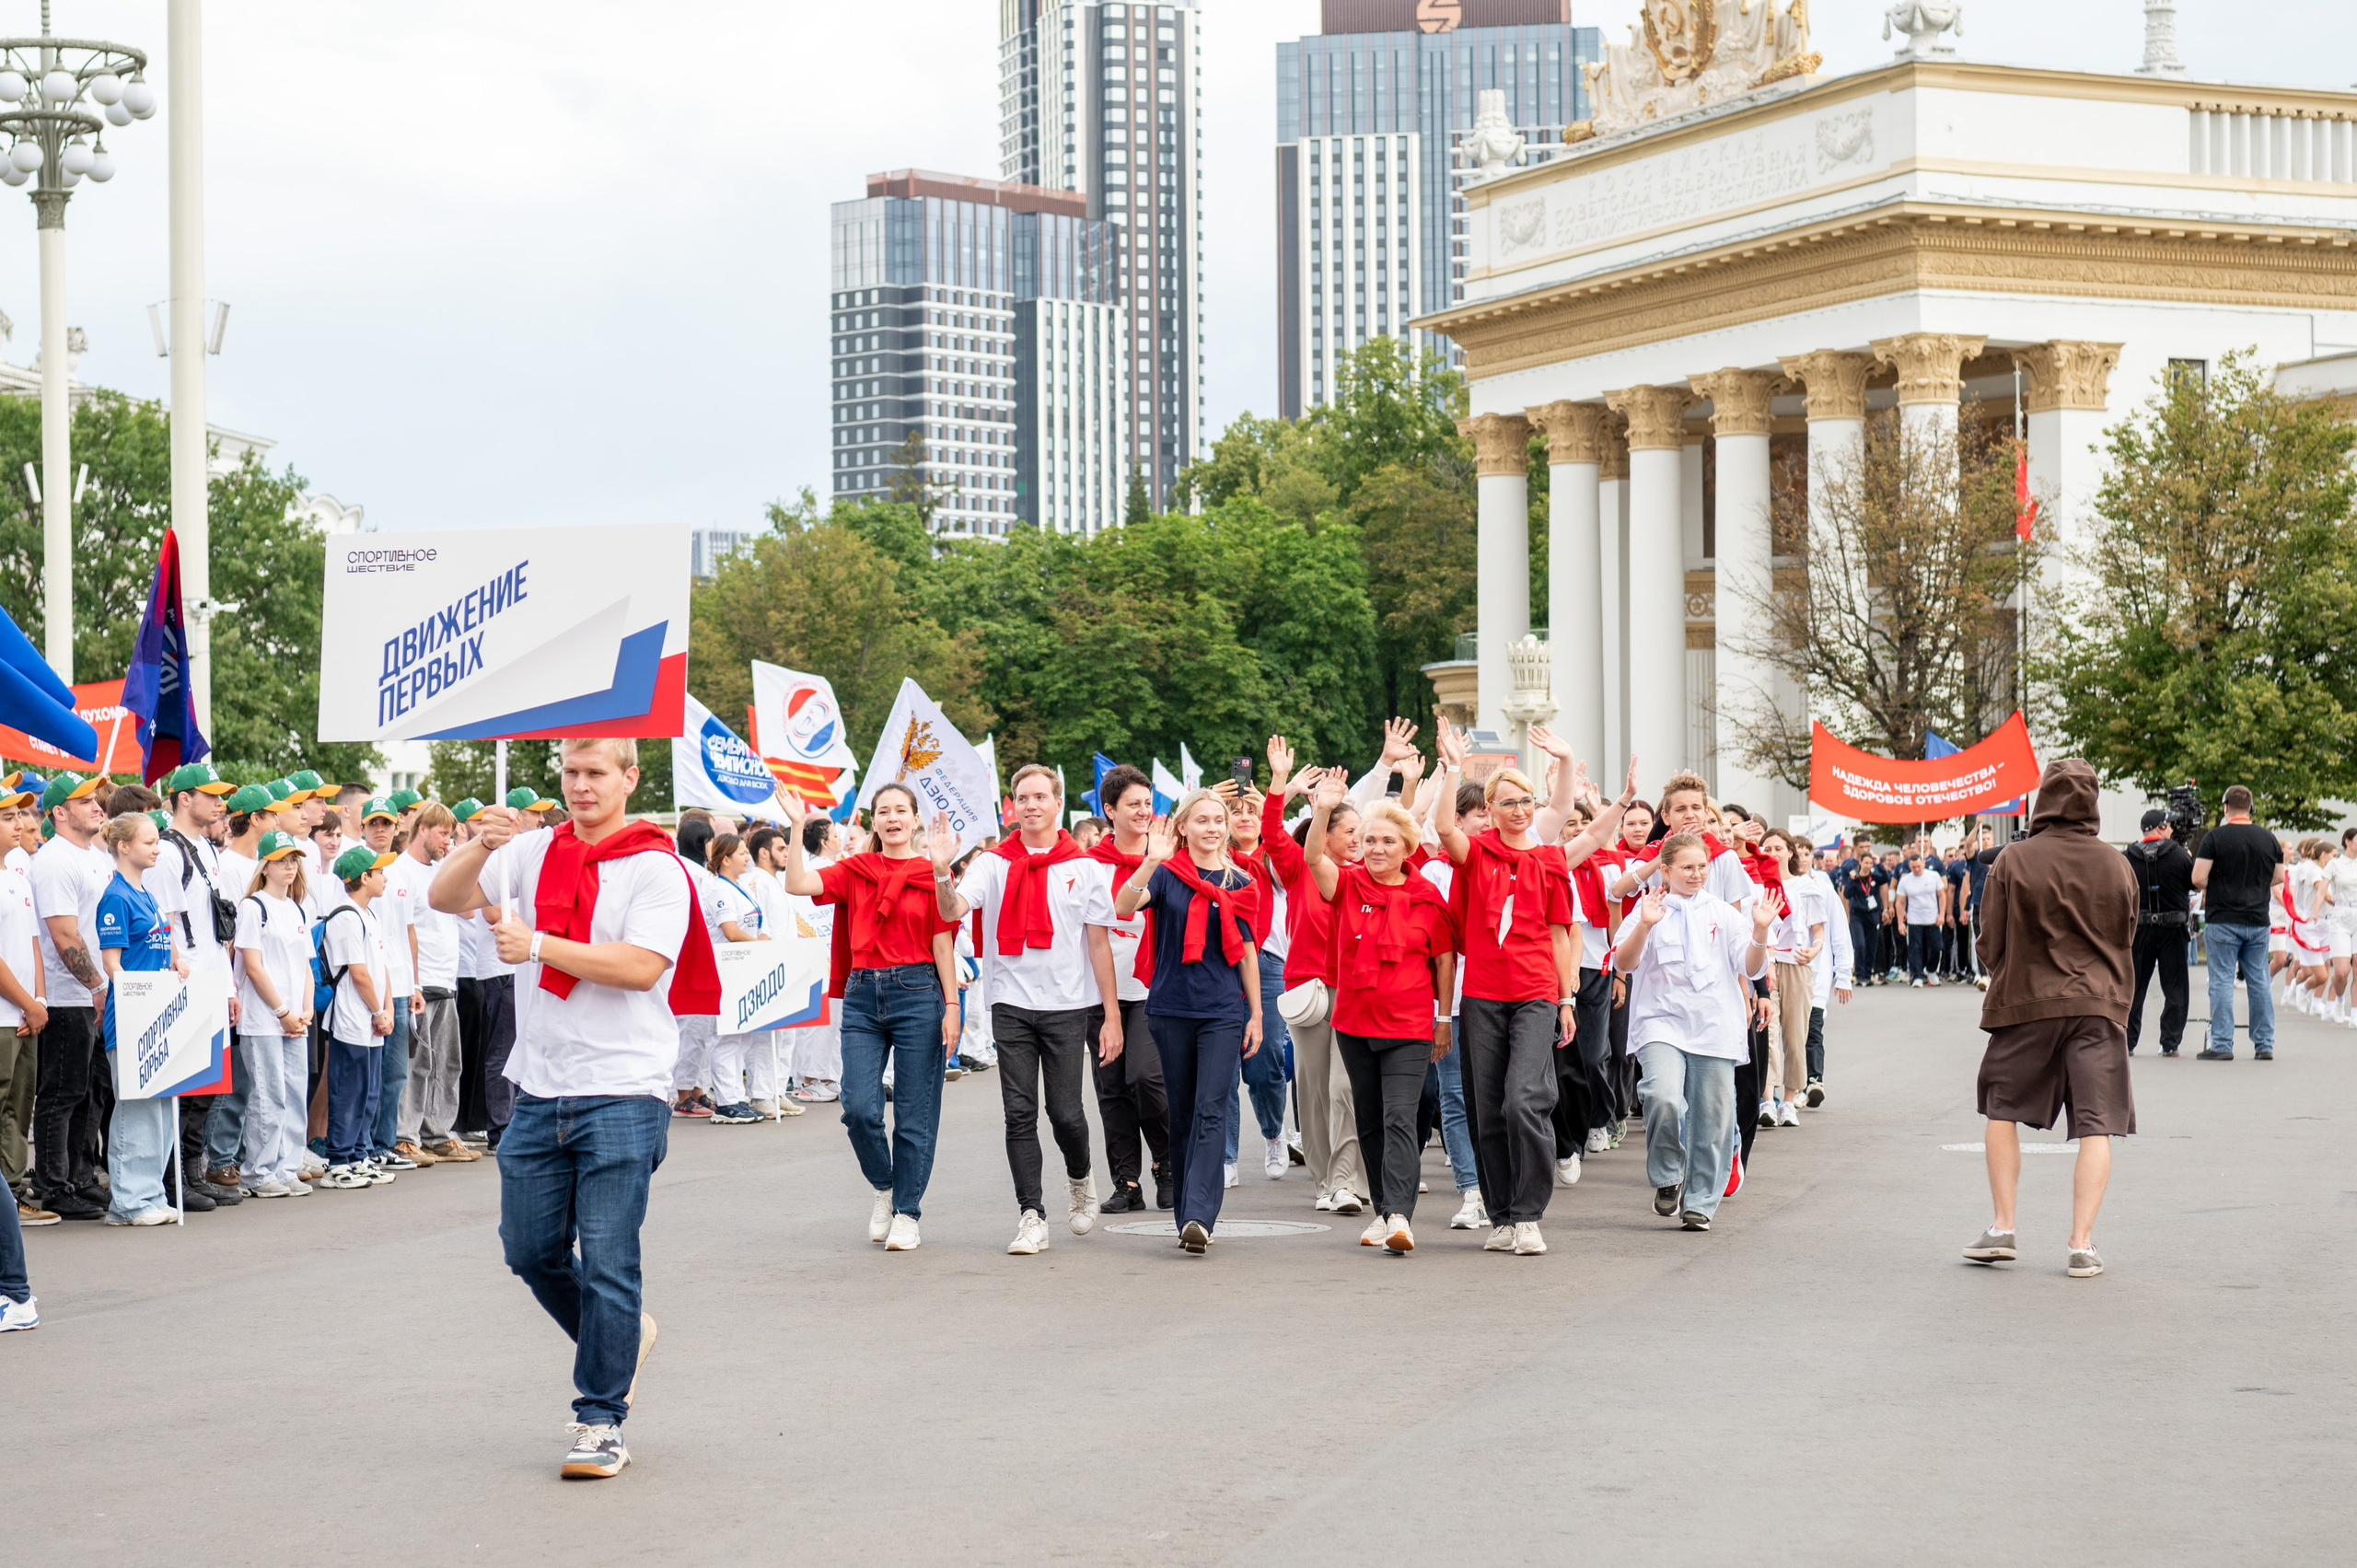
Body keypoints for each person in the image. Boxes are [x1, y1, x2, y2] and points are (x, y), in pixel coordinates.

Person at [425, 738, 715, 1481]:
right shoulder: (531, 851)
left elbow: (641, 966)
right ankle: (619, 1336)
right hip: (540, 1086)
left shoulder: (657, 866)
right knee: (529, 1250)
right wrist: (476, 843)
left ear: (629, 778)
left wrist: (541, 944)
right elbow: (446, 898)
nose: (581, 786)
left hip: (624, 1087)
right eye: (571, 773)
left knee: (611, 1257)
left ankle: (600, 1419)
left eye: (596, 773)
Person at [1433, 716, 1632, 1257]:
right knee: (1488, 1105)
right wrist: (1451, 766)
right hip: (1482, 997)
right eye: (1508, 802)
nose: (1520, 810)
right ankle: (1502, 1215)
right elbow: (1443, 828)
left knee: (1525, 1099)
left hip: (1537, 995)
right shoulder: (1475, 856)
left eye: (1526, 801)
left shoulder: (1547, 860)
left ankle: (1529, 1213)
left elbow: (1560, 932)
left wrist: (1567, 998)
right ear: (1491, 811)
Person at [931, 763, 1120, 1255]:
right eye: (1023, 797)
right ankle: (1031, 1214)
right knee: (1019, 1113)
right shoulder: (992, 863)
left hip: (1066, 1005)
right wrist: (939, 870)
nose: (1032, 805)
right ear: (1012, 806)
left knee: (1066, 1114)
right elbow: (952, 912)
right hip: (1010, 1003)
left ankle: (1080, 1178)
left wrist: (1112, 1016)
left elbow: (1099, 945)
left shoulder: (1084, 867)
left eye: (1041, 796)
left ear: (1057, 804)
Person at [1965, 760, 2139, 1279]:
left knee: (2001, 1108)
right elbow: (2127, 933)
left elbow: (1989, 939)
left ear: (2043, 799)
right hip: (2098, 1004)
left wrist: (2005, 973)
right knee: (2097, 1122)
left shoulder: (2013, 860)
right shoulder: (2117, 864)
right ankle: (2081, 1243)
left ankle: (2003, 1227)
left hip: (2027, 1000)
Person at [778, 783, 958, 1252]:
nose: (893, 817)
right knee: (858, 1108)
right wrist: (798, 826)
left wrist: (953, 1006)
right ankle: (885, 1186)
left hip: (920, 992)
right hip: (862, 993)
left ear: (915, 820)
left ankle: (907, 1212)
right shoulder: (855, 869)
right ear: (873, 822)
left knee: (915, 1115)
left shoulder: (931, 872)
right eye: (884, 811)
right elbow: (796, 883)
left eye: (901, 810)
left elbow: (944, 942)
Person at [1302, 782, 1456, 1254]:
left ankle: (1400, 1217)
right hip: (1352, 1022)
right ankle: (1383, 1211)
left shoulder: (1427, 896)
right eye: (1369, 840)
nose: (1377, 848)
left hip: (1409, 1025)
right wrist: (1324, 811)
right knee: (1368, 1119)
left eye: (1388, 840)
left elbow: (1445, 961)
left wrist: (1444, 1018)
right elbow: (1312, 861)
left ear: (1407, 846)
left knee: (1399, 1119)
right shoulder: (1347, 884)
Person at [1109, 788, 1262, 1256]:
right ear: (1183, 827)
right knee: (1182, 1111)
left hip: (1221, 1010)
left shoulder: (1241, 882)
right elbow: (1122, 907)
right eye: (1202, 820)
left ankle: (1199, 1214)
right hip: (1170, 1009)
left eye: (1219, 820)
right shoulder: (1167, 873)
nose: (1213, 828)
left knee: (1212, 1108)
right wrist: (1150, 862)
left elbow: (1248, 952)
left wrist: (1255, 1012)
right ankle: (1185, 1215)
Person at [1616, 831, 1775, 1231]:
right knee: (1662, 1096)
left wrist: (1758, 932)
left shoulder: (1722, 912)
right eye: (1687, 867)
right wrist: (1645, 927)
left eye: (1702, 866)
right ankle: (1669, 1174)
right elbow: (1624, 961)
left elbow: (1752, 967)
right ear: (1666, 870)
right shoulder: (1649, 908)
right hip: (1661, 1021)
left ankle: (1701, 1201)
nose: (1696, 874)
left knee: (1712, 1118)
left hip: (1714, 1025)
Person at [1256, 739, 1365, 1215]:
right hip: (1310, 991)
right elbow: (1271, 835)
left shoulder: (1369, 874)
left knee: (1346, 1088)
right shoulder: (1301, 868)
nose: (1360, 839)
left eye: (1363, 831)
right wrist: (1281, 783)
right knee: (1316, 1089)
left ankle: (1346, 1179)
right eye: (1352, 831)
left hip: (1358, 991)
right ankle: (1325, 1181)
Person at [1085, 764, 1177, 1212]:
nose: (1144, 812)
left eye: (1148, 803)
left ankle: (1167, 1162)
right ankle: (1127, 1182)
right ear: (1109, 811)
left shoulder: (1168, 859)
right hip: (1101, 992)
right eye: (1133, 805)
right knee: (1113, 1087)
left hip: (1154, 988)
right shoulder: (1090, 867)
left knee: (1146, 1077)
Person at [28, 772, 115, 1220]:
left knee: (90, 1092)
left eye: (96, 799)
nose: (98, 806)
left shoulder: (91, 856)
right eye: (85, 802)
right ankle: (52, 1185)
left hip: (93, 995)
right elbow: (64, 936)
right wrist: (97, 986)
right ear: (59, 812)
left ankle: (80, 1176)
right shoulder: (55, 860)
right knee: (62, 1093)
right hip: (68, 997)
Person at [94, 811, 188, 1225]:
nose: (156, 848)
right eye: (148, 842)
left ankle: (150, 1193)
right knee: (136, 1108)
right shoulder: (115, 896)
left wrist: (175, 965)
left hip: (159, 1015)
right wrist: (139, 991)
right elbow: (112, 963)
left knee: (161, 1106)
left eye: (157, 842)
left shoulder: (147, 893)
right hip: (132, 1018)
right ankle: (129, 1201)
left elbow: (158, 948)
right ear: (123, 846)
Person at [232, 830, 317, 1198]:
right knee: (269, 1095)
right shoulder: (254, 907)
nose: (290, 866)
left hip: (294, 1019)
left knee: (296, 1093)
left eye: (293, 860)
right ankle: (258, 1171)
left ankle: (287, 1167)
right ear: (265, 866)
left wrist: (305, 1009)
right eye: (282, 860)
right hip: (264, 1018)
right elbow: (253, 965)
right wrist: (282, 1010)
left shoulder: (297, 908)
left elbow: (306, 967)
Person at [393, 802, 474, 1164]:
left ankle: (438, 1132)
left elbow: (470, 908)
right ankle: (405, 1135)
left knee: (447, 1062)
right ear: (422, 829)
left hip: (447, 978)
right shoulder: (401, 871)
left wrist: (456, 857)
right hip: (422, 981)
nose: (447, 840)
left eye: (450, 834)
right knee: (417, 1063)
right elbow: (405, 931)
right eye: (442, 833)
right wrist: (412, 983)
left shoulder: (443, 868)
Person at [1220, 776, 1292, 1183]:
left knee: (1265, 1064)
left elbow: (1291, 866)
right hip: (1221, 964)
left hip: (1267, 962)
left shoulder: (1273, 857)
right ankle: (1227, 1155)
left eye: (1252, 811)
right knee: (1223, 1066)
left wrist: (1272, 807)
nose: (1244, 817)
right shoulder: (1213, 856)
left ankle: (1274, 1132)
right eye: (1236, 811)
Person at [319, 844, 399, 1190]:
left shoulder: (369, 915)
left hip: (372, 1018)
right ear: (363, 877)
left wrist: (389, 1008)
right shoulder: (346, 916)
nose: (384, 877)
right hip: (352, 1017)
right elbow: (359, 973)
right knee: (348, 1089)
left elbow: (380, 969)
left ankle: (359, 1154)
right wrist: (378, 1010)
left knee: (368, 1090)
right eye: (379, 872)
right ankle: (339, 1159)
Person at [2192, 785, 2286, 1062]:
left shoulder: (2214, 838)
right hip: (2257, 920)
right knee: (2258, 980)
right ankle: (2264, 1043)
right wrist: (2254, 885)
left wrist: (2222, 884)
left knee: (2221, 980)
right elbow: (2278, 876)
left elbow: (2197, 878)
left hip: (2223, 919)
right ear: (2251, 807)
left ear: (2225, 807)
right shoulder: (2269, 839)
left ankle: (2222, 1043)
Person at [0, 782, 51, 1225]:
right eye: (7, 817)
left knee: (20, 1108)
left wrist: (38, 1000)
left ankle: (12, 1195)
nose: (20, 824)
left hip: (24, 1013)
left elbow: (32, 943)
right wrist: (26, 1004)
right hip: (4, 1016)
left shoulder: (17, 874)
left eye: (20, 816)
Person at [702, 832, 774, 1125]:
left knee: (742, 1035)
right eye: (742, 853)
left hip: (745, 966)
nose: (748, 857)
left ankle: (736, 1097)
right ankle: (726, 1102)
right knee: (727, 1037)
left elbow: (755, 926)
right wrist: (759, 943)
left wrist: (763, 939)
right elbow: (731, 932)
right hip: (726, 967)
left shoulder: (741, 885)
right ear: (725, 859)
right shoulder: (717, 889)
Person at [1757, 828, 1825, 1129]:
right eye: (1767, 849)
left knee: (1795, 1036)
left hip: (1797, 963)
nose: (1773, 854)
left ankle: (1789, 1100)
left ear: (1789, 851)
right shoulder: (1757, 885)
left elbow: (1818, 931)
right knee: (1767, 1033)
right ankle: (1768, 1100)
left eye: (1778, 848)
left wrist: (1815, 950)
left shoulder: (1806, 885)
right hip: (1766, 964)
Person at [2121, 808, 2196, 1056]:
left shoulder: (2128, 856)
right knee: (2175, 988)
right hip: (2172, 929)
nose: (2173, 830)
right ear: (2161, 827)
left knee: (2134, 988)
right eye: (2170, 826)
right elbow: (2193, 883)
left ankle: (2127, 1042)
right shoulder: (2179, 855)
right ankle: (2170, 1042)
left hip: (2139, 930)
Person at [782, 813, 844, 1105]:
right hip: (816, 952)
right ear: (823, 840)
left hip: (831, 953)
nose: (839, 838)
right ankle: (812, 1080)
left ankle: (822, 1077)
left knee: (829, 1022)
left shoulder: (835, 866)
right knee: (818, 1022)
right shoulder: (814, 871)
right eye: (834, 834)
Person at [1896, 852, 1945, 987]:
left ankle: (1930, 970)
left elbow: (1942, 895)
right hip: (1914, 920)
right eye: (1914, 867)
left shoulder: (1933, 876)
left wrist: (1942, 914)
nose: (1917, 870)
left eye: (1919, 866)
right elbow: (1899, 902)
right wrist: (1900, 922)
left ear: (1923, 863)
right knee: (1915, 949)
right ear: (1909, 867)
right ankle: (1917, 976)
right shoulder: (1905, 880)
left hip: (1932, 918)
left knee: (1937, 947)